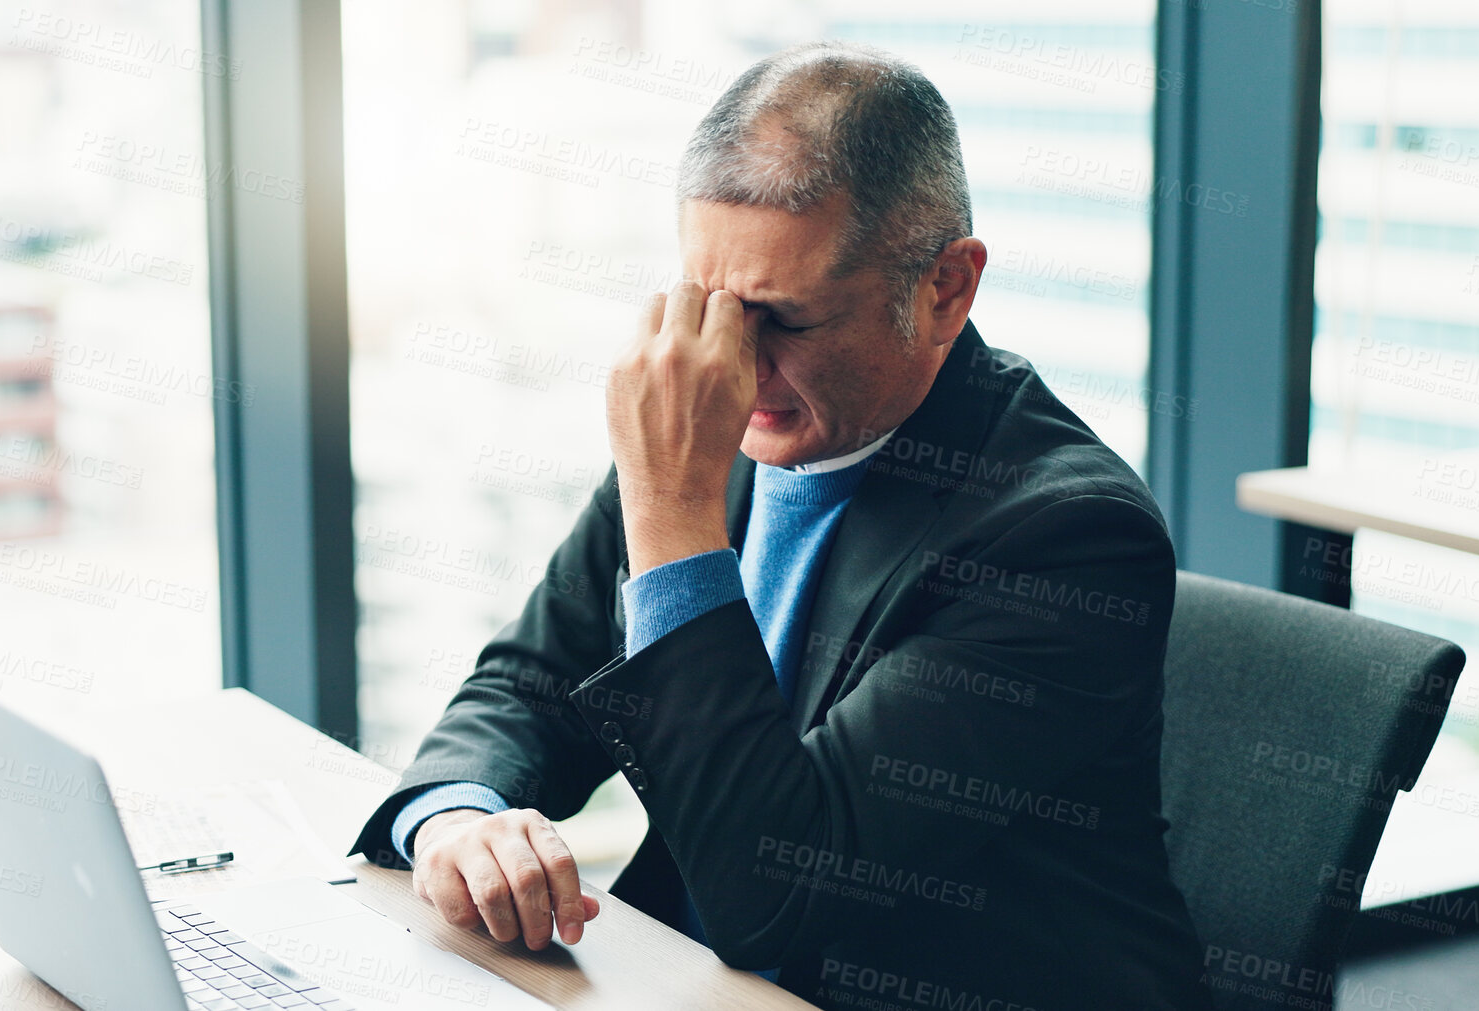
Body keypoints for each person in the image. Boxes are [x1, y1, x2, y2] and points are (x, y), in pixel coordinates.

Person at [350, 40, 1212, 1010]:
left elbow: (778, 894)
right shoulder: (716, 421)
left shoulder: (1066, 540)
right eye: (711, 307)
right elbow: (529, 683)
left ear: (944, 289)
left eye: (783, 320)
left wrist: (672, 513)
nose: (728, 364)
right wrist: (458, 819)